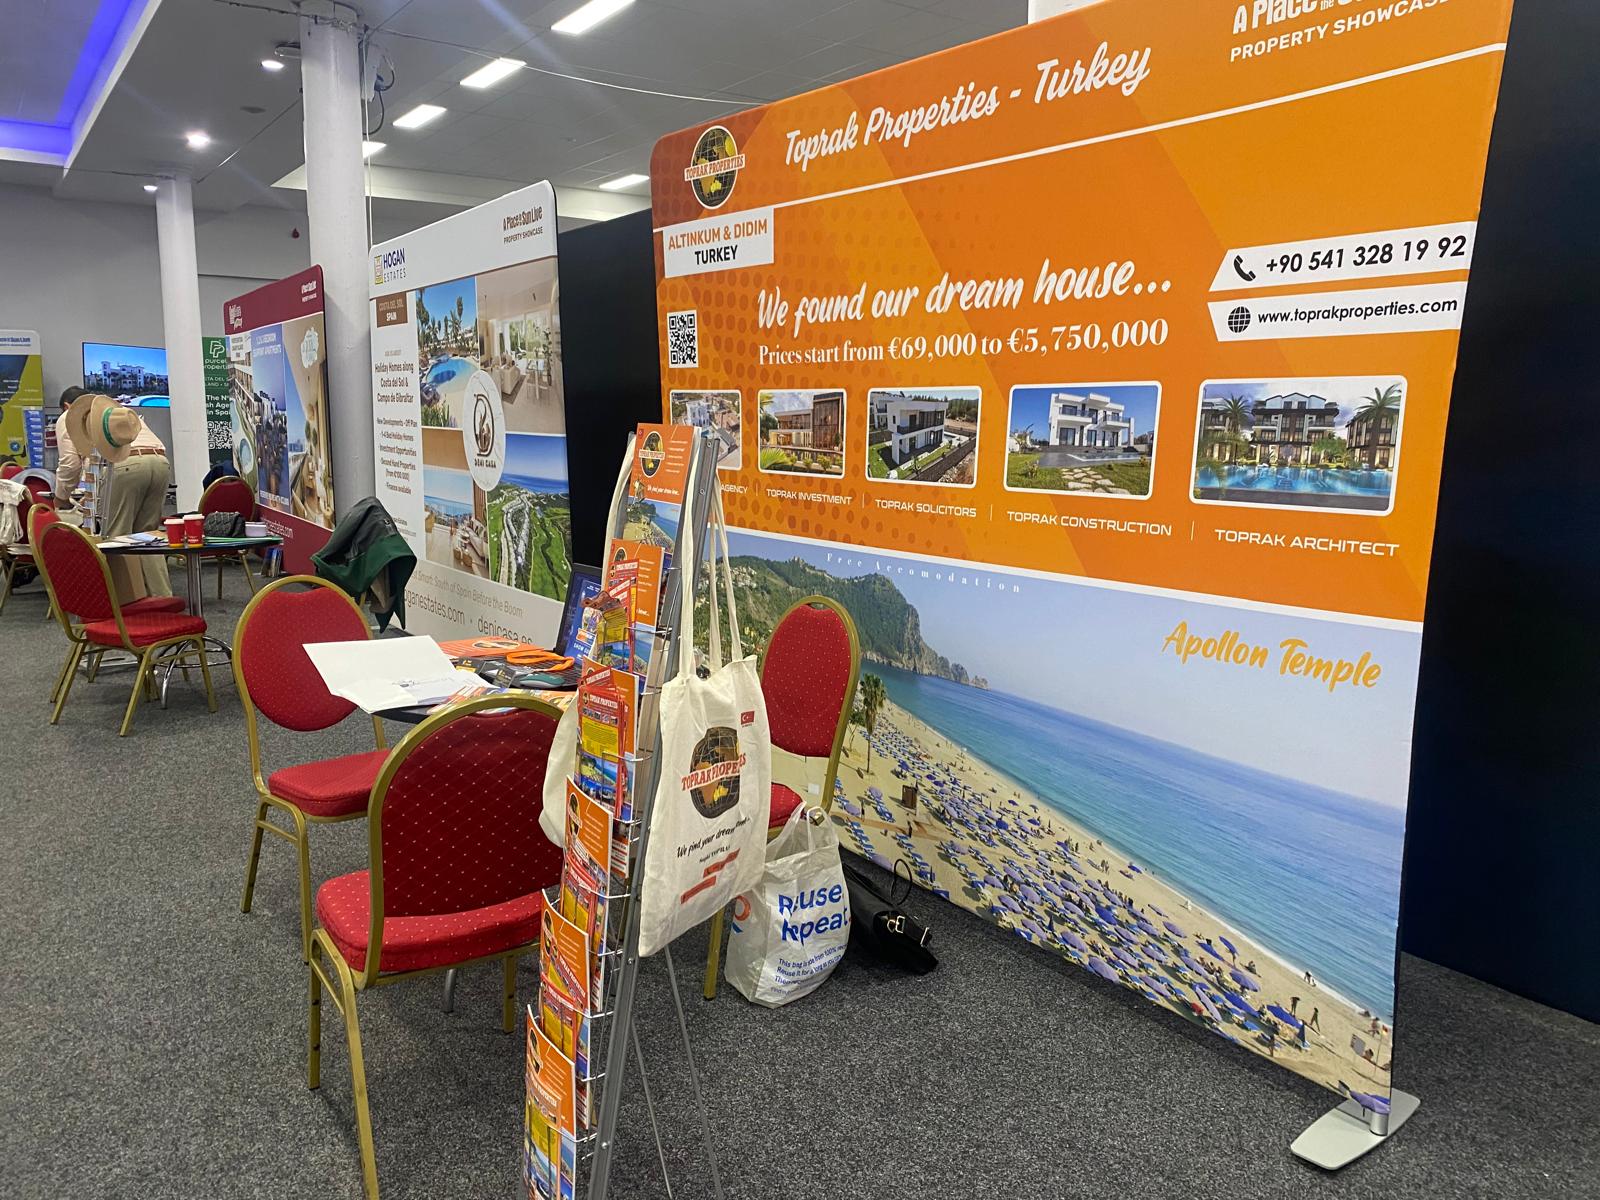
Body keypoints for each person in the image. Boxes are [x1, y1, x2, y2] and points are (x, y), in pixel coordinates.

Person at [61, 392, 172, 602]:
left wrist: (63, 497)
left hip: (127, 465)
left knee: (117, 537)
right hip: (160, 462)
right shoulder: (120, 414)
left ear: (67, 407)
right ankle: (163, 598)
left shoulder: (71, 420)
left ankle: (125, 600)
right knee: (149, 536)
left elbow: (72, 464)